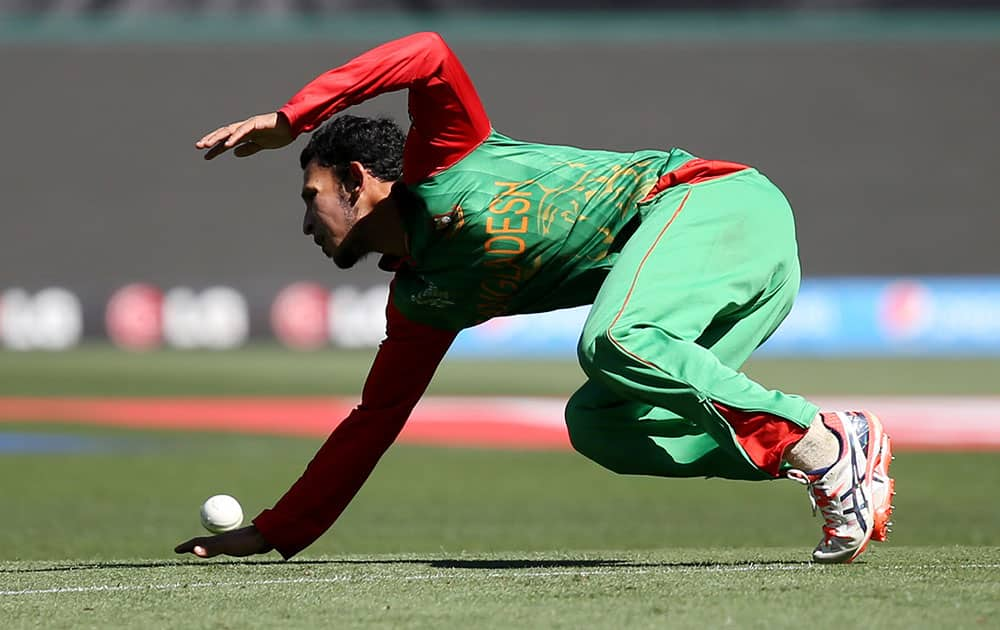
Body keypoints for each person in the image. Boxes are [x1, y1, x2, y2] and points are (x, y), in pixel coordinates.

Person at [175, 32, 894, 564]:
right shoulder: (424, 299)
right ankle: (826, 454)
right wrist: (277, 529)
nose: (306, 222)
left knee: (612, 341)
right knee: (600, 424)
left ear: (358, 179)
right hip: (723, 278)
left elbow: (426, 53)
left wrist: (295, 116)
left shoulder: (445, 154)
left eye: (313, 198)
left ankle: (820, 440)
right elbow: (374, 421)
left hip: (718, 203)